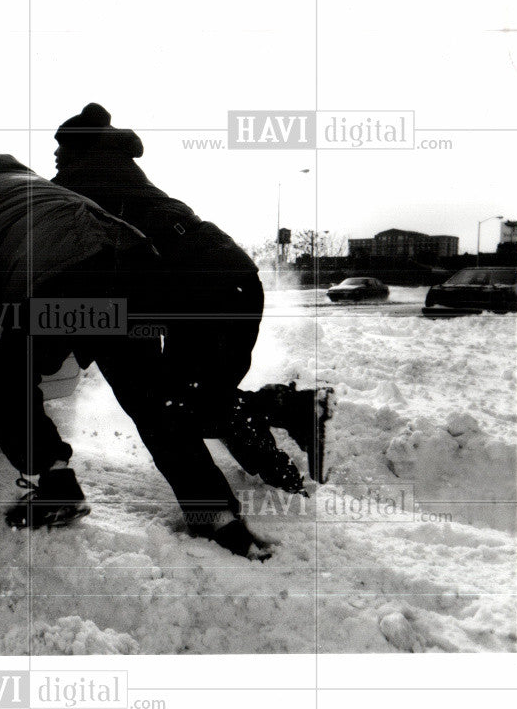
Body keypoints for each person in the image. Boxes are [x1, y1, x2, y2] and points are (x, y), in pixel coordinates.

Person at [0, 146, 271, 559]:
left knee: (10, 374)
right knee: (151, 399)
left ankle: (54, 483)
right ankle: (216, 516)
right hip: (130, 258)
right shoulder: (22, 177)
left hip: (62, 268)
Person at [50, 103, 332, 488]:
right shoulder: (120, 172)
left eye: (60, 149)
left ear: (78, 149)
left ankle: (294, 408)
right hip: (231, 281)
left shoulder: (84, 178)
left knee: (183, 407)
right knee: (201, 399)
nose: (55, 158)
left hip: (206, 290)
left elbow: (54, 219)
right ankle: (280, 466)